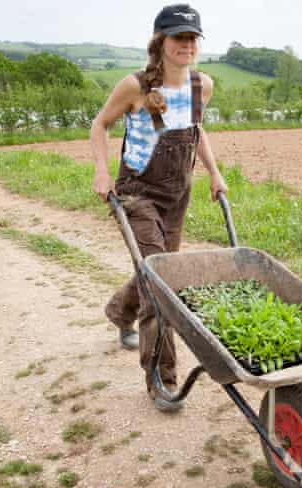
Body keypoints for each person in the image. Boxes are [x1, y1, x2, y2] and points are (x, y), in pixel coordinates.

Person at [90, 4, 227, 411]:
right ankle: (160, 380)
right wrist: (101, 172)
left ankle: (119, 311)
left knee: (157, 267)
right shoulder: (133, 86)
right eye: (178, 37)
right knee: (161, 284)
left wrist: (214, 174)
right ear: (160, 41)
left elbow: (196, 130)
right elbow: (100, 124)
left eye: (192, 38)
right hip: (137, 191)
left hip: (177, 194)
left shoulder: (203, 85)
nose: (186, 44)